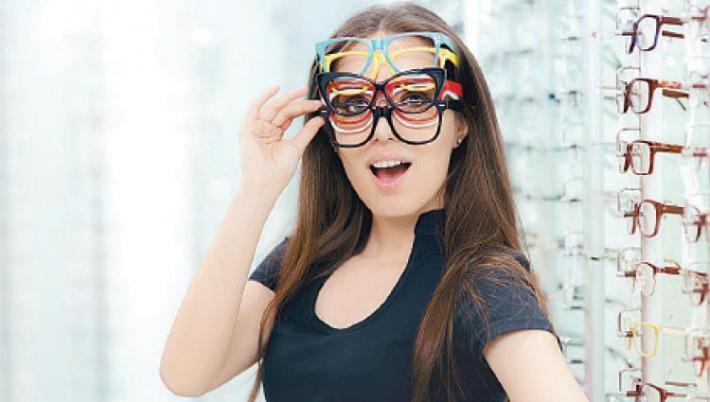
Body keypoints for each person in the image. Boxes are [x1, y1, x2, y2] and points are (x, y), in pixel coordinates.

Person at [159, 2, 589, 402]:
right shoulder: (302, 262)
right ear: (329, 131)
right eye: (353, 104)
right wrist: (257, 188)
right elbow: (186, 374)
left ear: (461, 124)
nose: (382, 130)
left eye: (415, 99)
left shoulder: (484, 284)